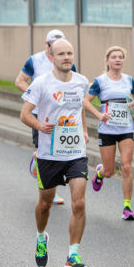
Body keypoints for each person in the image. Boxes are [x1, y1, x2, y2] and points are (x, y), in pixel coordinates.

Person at [20, 39, 90, 267]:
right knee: (45, 204)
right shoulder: (41, 83)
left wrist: (85, 131)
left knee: (78, 203)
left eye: (70, 53)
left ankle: (73, 256)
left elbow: (79, 108)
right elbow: (24, 114)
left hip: (76, 152)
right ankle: (41, 237)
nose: (67, 57)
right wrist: (39, 125)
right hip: (49, 154)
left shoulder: (82, 82)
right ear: (51, 57)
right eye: (61, 54)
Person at [15, 29, 77, 206]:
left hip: (62, 115)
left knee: (57, 152)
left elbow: (73, 84)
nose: (57, 47)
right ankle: (51, 191)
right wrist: (35, 97)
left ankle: (37, 158)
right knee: (48, 153)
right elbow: (19, 80)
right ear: (46, 44)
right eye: (52, 43)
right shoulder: (35, 60)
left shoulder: (66, 61)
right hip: (39, 115)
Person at [84, 46, 134, 221]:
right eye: (114, 57)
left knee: (127, 167)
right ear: (107, 61)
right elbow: (85, 101)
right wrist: (99, 115)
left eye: (120, 57)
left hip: (126, 129)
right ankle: (100, 173)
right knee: (109, 171)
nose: (117, 60)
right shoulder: (100, 81)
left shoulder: (129, 80)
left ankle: (127, 207)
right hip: (107, 130)